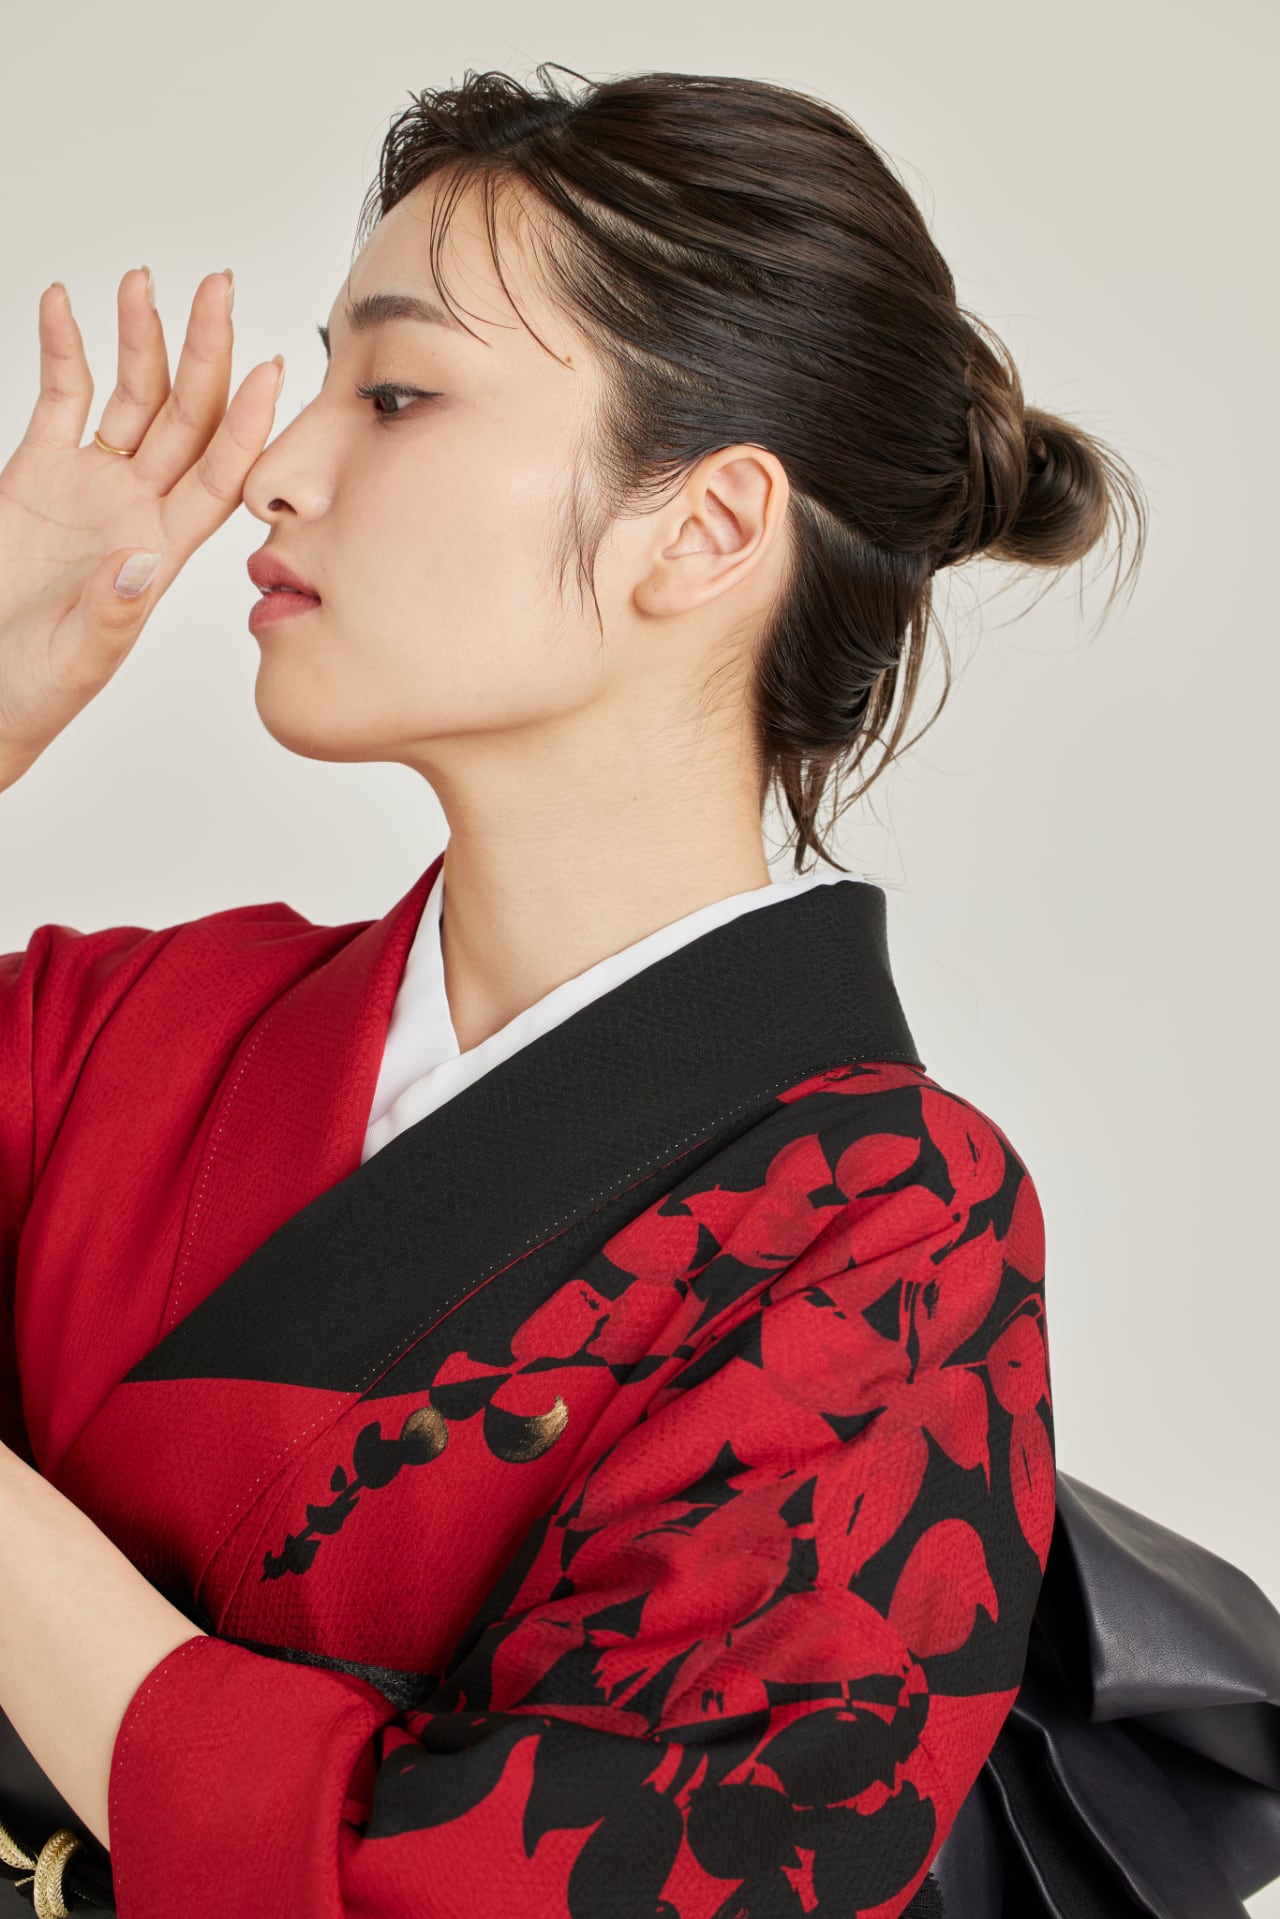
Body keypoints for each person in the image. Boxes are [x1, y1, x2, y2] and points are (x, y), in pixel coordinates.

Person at [0, 63, 1150, 1919]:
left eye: (395, 394)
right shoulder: (123, 1029)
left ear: (705, 528)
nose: (279, 466)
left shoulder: (887, 1234)